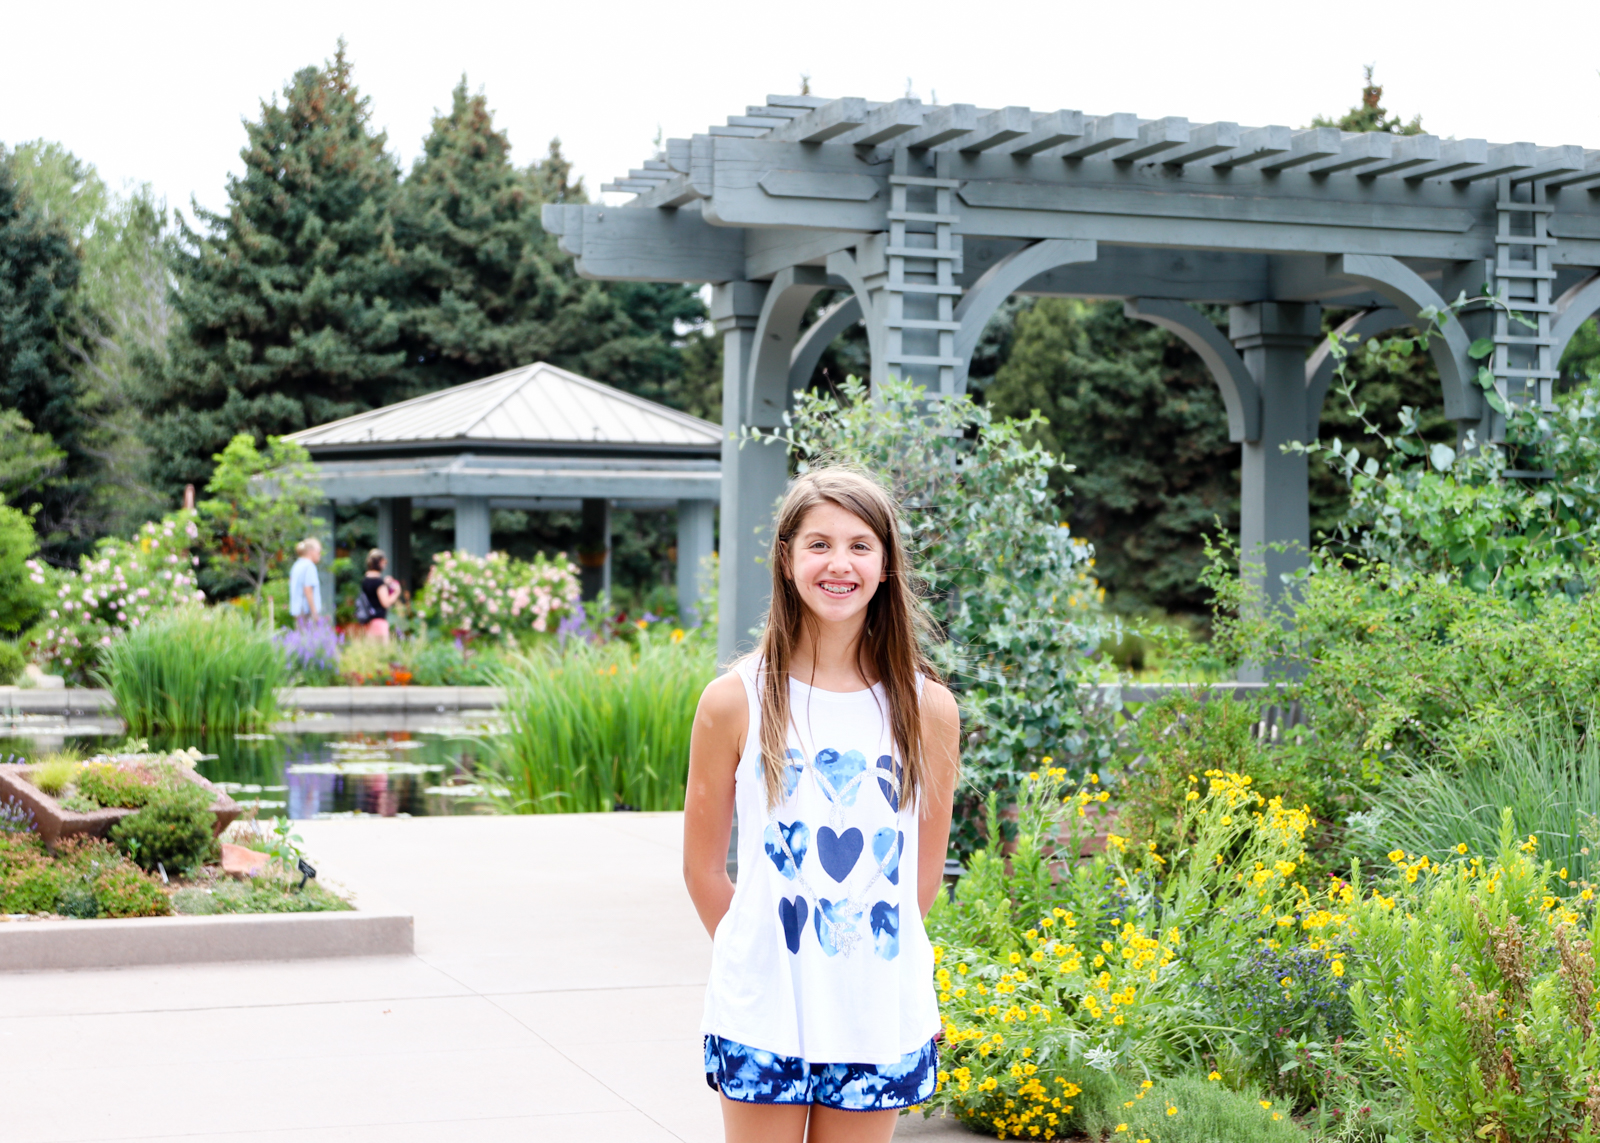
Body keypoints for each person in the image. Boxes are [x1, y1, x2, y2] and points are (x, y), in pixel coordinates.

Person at [683, 468, 961, 1143]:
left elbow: (920, 878)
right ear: (787, 559)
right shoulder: (735, 700)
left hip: (874, 1006)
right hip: (764, 1008)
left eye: (860, 545)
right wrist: (758, 957)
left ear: (886, 564)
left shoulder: (927, 708)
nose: (840, 563)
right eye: (819, 544)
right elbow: (702, 869)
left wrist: (851, 963)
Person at [359, 548, 401, 641]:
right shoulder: (378, 582)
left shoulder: (365, 580)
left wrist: (384, 583)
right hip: (379, 622)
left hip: (368, 622)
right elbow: (385, 603)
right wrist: (397, 592)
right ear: (380, 562)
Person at [287, 538, 322, 621]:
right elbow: (308, 590)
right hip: (306, 613)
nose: (319, 555)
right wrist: (315, 613)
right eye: (318, 552)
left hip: (297, 611)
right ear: (311, 552)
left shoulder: (297, 565)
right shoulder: (309, 566)